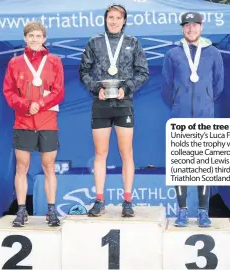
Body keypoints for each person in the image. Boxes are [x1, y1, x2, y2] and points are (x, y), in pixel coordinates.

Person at [80, 4, 149, 217]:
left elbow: (143, 72)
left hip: (123, 104)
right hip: (100, 104)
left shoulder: (132, 43)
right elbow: (83, 71)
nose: (114, 21)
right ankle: (99, 200)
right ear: (105, 19)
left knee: (126, 153)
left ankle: (127, 201)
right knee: (100, 154)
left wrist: (126, 88)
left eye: (118, 18)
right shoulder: (94, 42)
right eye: (111, 17)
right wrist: (96, 88)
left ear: (124, 21)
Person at [161, 12, 224, 227]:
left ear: (201, 28)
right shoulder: (172, 54)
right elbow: (166, 87)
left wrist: (205, 99)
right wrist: (179, 100)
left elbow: (218, 85)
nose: (191, 29)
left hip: (205, 116)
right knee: (181, 165)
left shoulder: (214, 53)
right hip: (179, 116)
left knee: (203, 165)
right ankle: (182, 210)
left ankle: (203, 211)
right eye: (187, 25)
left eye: (195, 25)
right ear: (182, 29)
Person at [3, 21, 65, 227]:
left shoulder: (54, 61)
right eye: (31, 36)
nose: (35, 39)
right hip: (23, 121)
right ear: (25, 39)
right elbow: (8, 92)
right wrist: (26, 105)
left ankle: (51, 210)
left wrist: (40, 104)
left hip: (47, 121)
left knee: (49, 166)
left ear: (44, 39)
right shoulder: (14, 63)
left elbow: (59, 91)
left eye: (38, 36)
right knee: (22, 166)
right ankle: (21, 211)